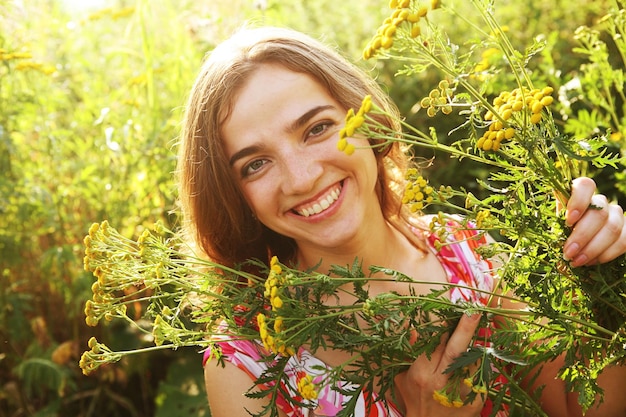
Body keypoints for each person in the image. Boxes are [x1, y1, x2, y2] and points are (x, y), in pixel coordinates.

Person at [177, 26, 626, 417]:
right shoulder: (245, 360)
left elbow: (582, 407)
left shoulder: (466, 249)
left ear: (366, 120)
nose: (302, 177)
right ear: (233, 196)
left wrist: (603, 278)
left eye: (316, 128)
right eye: (255, 164)